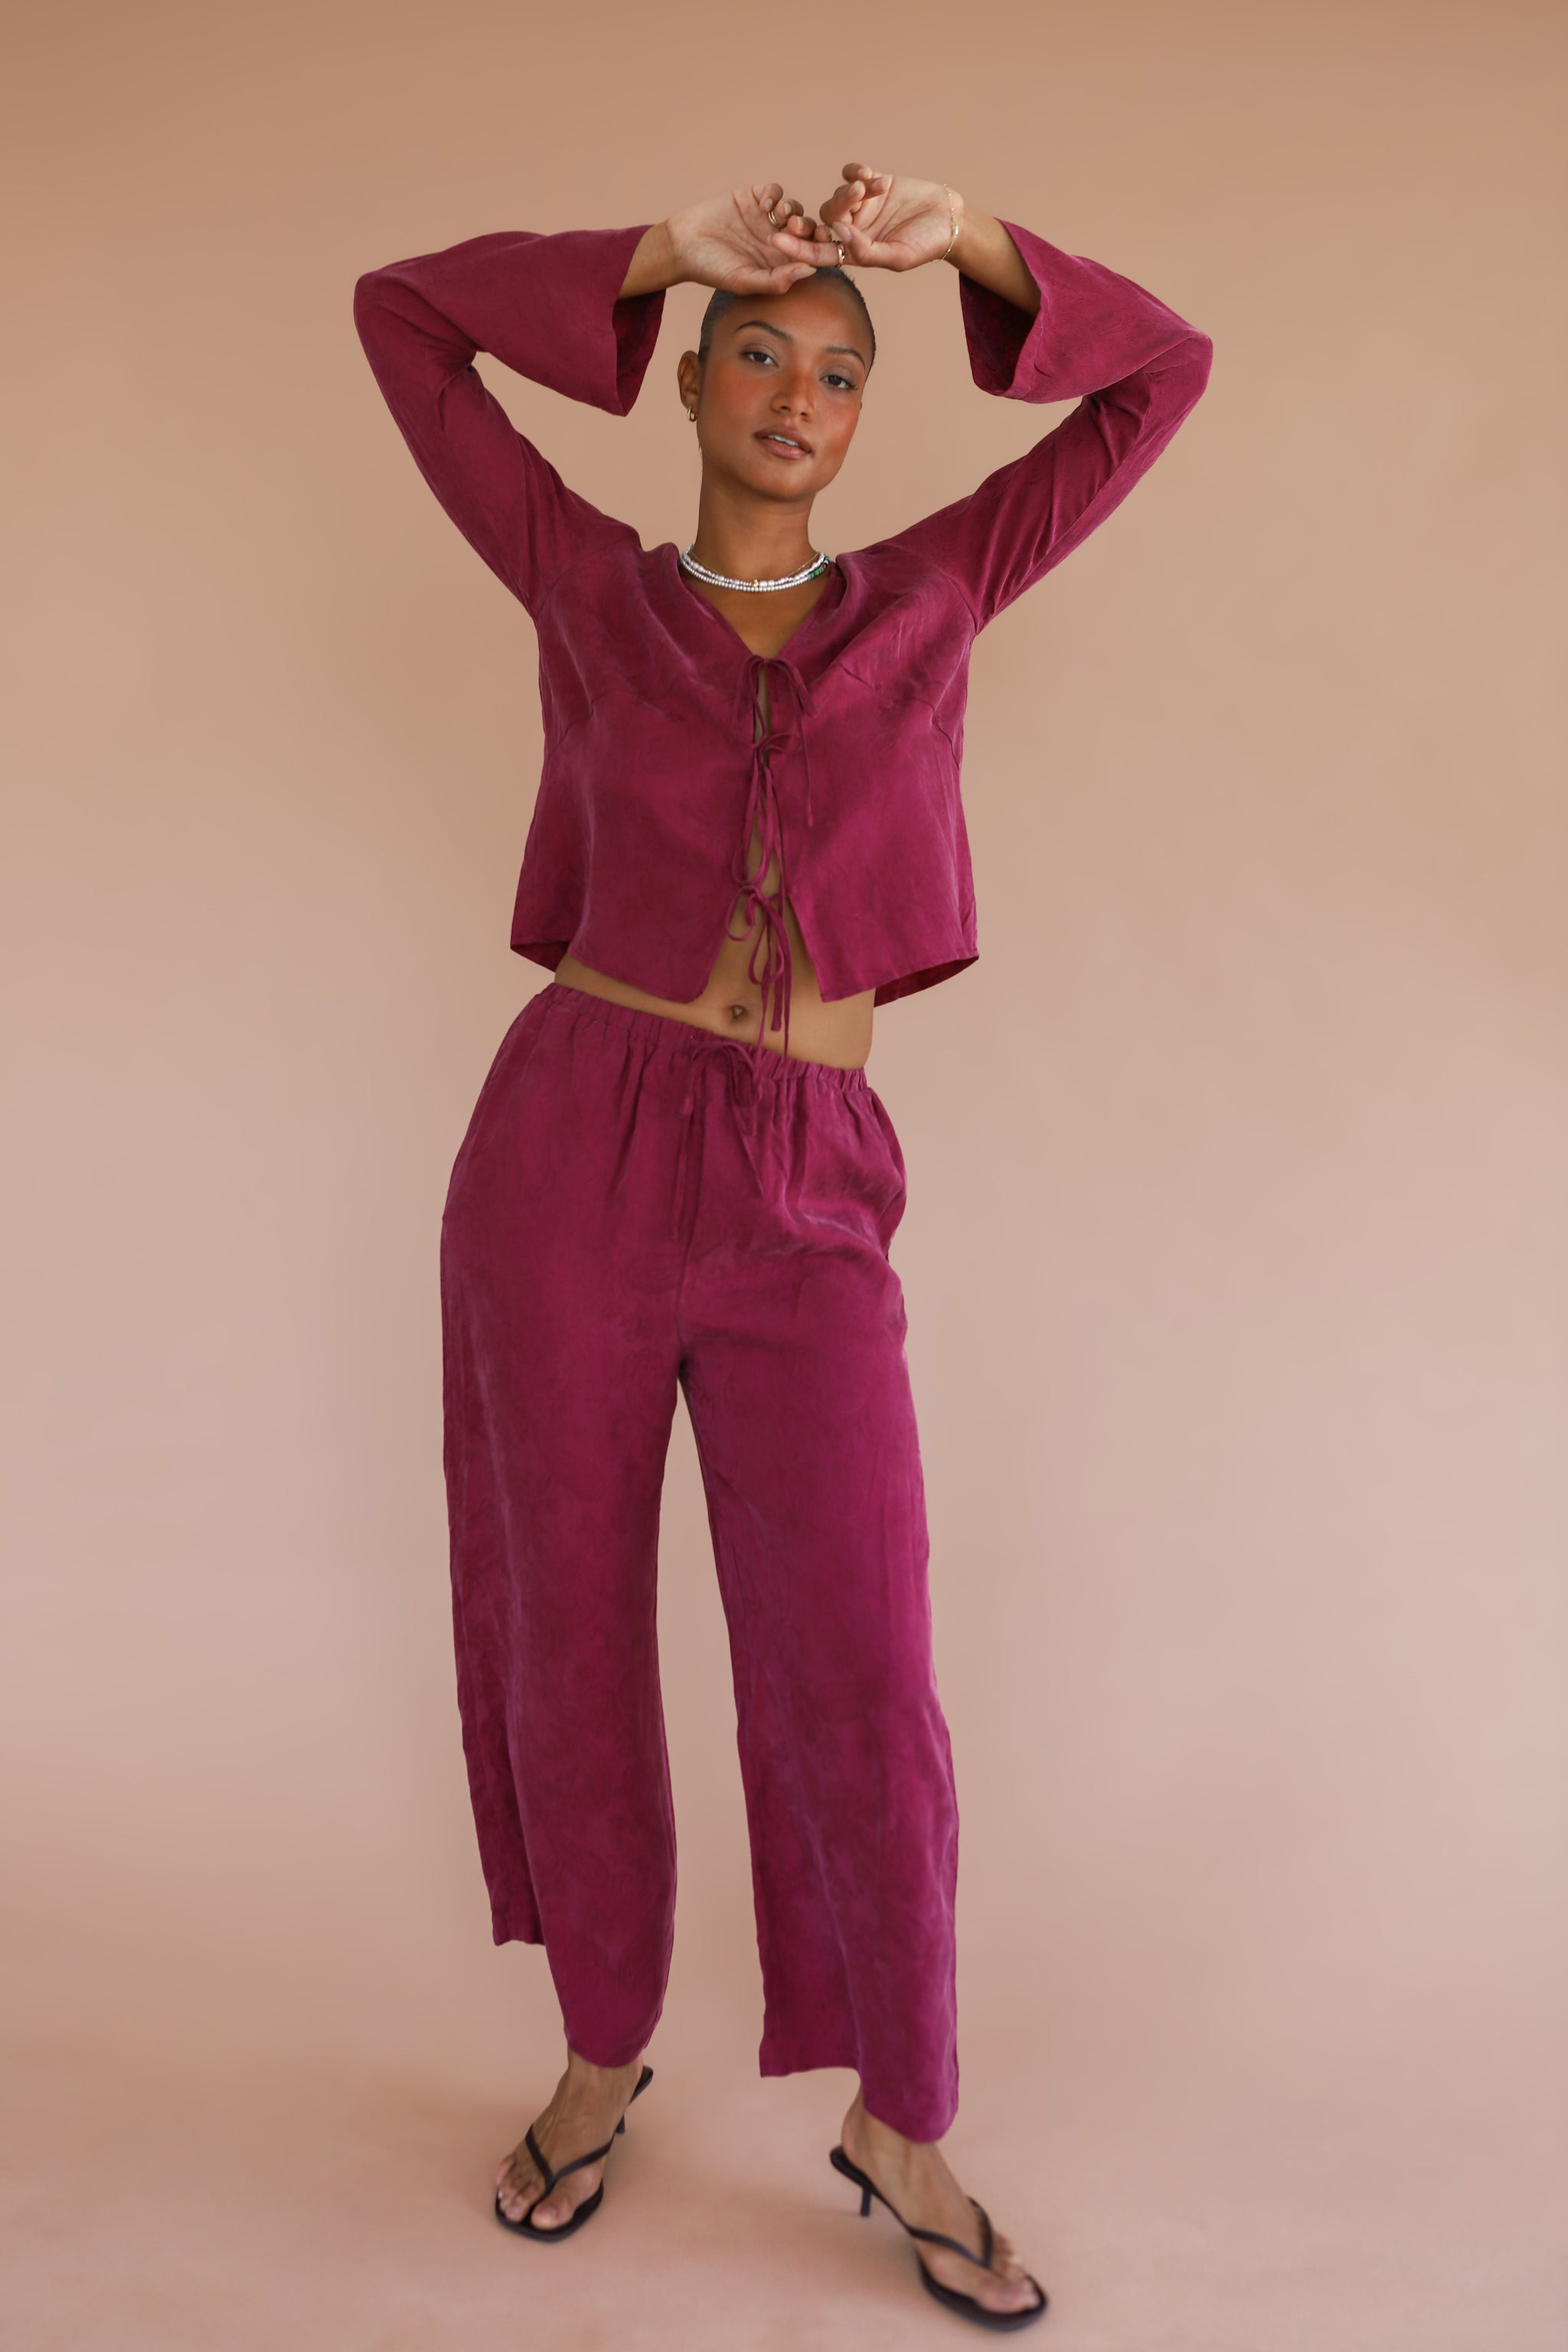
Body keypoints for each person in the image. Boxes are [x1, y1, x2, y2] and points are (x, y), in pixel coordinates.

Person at [354, 162, 1211, 2329]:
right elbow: (403, 320)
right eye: (761, 352)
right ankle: (599, 2050)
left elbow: (1158, 381)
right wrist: (665, 255)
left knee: (861, 1657)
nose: (800, 396)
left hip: (811, 1176)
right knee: (570, 1631)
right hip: (571, 1148)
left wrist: (972, 243)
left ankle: (901, 2116)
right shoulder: (584, 582)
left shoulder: (934, 592)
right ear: (695, 380)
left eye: (838, 373)